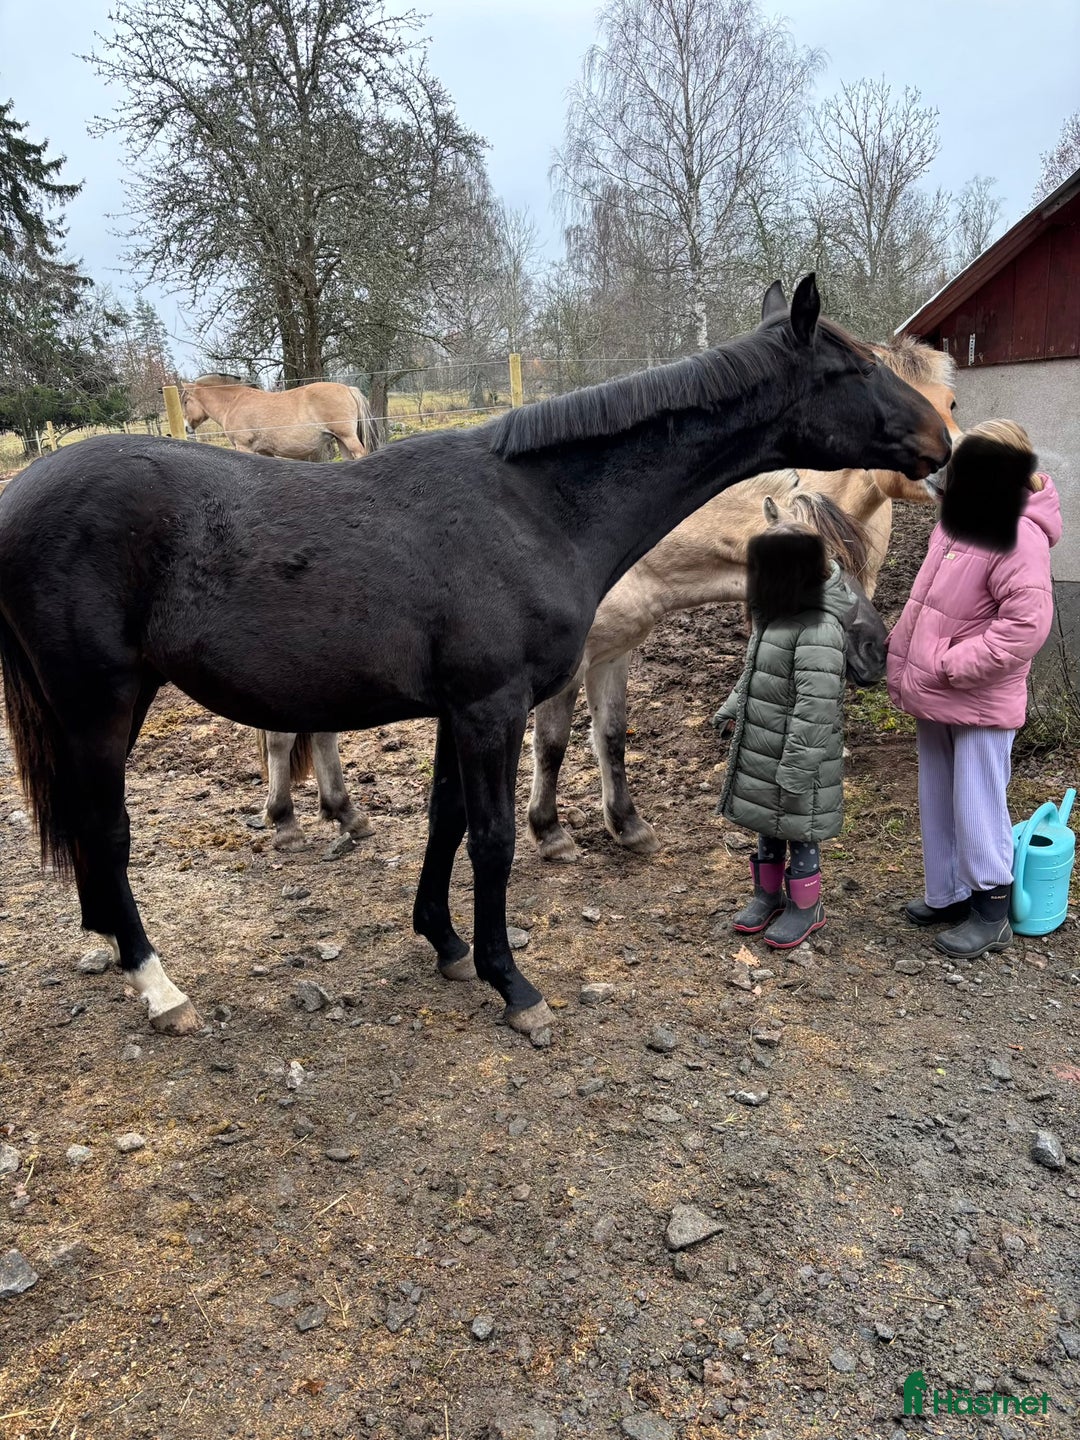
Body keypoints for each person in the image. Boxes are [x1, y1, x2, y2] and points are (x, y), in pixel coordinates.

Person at [886, 420, 1061, 958]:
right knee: (939, 795)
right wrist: (903, 651)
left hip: (976, 694)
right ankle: (949, 894)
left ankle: (992, 908)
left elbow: (1027, 625)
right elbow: (927, 602)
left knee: (978, 801)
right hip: (936, 690)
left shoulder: (1019, 533)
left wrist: (951, 662)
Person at [712, 523, 853, 949]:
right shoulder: (775, 614)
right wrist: (732, 708)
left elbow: (816, 709)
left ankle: (806, 906)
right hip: (764, 746)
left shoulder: (817, 629)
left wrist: (796, 769)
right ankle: (767, 895)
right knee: (766, 824)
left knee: (799, 830)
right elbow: (756, 674)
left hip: (798, 757)